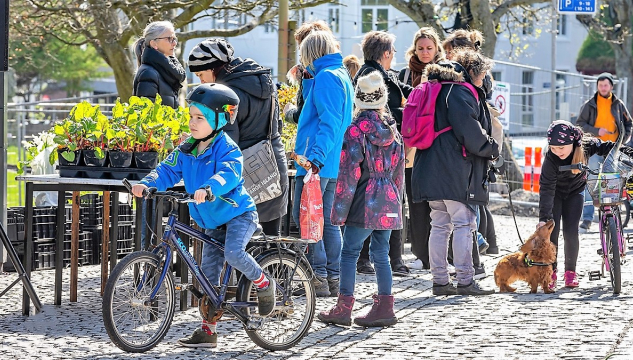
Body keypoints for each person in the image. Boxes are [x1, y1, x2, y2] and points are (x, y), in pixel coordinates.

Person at [131, 83, 275, 348]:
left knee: (233, 253)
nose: (193, 123)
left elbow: (230, 173)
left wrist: (210, 188)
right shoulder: (187, 148)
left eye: (200, 118)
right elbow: (166, 170)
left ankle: (264, 282)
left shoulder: (227, 148)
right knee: (207, 279)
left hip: (238, 215)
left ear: (220, 119)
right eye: (191, 116)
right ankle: (208, 332)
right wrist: (147, 183)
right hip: (211, 222)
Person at [319, 71, 404, 327]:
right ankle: (385, 307)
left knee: (349, 253)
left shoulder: (355, 130)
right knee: (381, 253)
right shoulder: (391, 128)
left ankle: (343, 308)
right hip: (388, 196)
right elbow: (399, 169)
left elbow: (348, 173)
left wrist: (339, 211)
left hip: (364, 199)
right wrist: (396, 202)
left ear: (358, 99)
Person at [411, 48, 499, 296]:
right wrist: (491, 148)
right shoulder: (459, 92)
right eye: (481, 77)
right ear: (471, 72)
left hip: (428, 165)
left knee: (439, 224)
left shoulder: (437, 87)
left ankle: (440, 281)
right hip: (454, 168)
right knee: (464, 223)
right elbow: (470, 133)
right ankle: (465, 280)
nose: (483, 82)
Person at [188, 38, 289, 237]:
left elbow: (226, 142)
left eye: (201, 74)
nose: (201, 81)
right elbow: (278, 126)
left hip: (243, 176)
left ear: (213, 68)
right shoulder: (263, 82)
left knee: (239, 250)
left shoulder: (225, 95)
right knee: (270, 248)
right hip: (273, 167)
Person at [291, 30, 354, 297]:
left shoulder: (327, 77)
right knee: (325, 221)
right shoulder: (336, 74)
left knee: (306, 218)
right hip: (328, 159)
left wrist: (314, 157)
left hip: (316, 159)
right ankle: (330, 277)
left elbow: (328, 122)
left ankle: (319, 275)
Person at [538, 120, 633, 289]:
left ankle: (570, 273)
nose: (557, 151)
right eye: (553, 148)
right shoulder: (551, 159)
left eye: (561, 148)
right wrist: (543, 218)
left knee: (571, 231)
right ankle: (550, 272)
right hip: (555, 194)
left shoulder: (586, 145)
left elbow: (608, 147)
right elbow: (546, 190)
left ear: (573, 143)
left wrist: (626, 151)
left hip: (575, 192)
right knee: (551, 232)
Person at [353, 30, 413, 277]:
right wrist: (405, 115)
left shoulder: (370, 74)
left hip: (374, 151)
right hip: (379, 153)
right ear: (386, 54)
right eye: (393, 53)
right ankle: (389, 260)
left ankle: (379, 259)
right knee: (388, 203)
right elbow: (385, 115)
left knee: (376, 204)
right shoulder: (374, 77)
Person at [398, 27, 444, 271]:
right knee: (415, 202)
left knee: (438, 204)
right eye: (420, 48)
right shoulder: (405, 75)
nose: (425, 53)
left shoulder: (445, 73)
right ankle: (420, 254)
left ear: (437, 49)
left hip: (437, 146)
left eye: (429, 48)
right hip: (411, 145)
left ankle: (440, 254)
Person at [575, 72, 632, 233]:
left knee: (611, 183)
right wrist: (595, 130)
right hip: (593, 148)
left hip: (612, 150)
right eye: (600, 85)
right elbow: (579, 125)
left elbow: (629, 123)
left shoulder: (619, 105)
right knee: (589, 181)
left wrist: (623, 139)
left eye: (606, 85)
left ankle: (611, 217)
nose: (603, 87)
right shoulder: (590, 104)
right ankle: (587, 219)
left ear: (611, 86)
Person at [284, 21, 333, 125]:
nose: (300, 54)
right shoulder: (336, 69)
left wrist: (289, 112)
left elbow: (305, 114)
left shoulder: (310, 73)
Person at [132, 21, 186, 108]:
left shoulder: (166, 72)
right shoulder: (148, 73)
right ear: (154, 44)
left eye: (174, 38)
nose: (174, 43)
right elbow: (146, 115)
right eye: (169, 39)